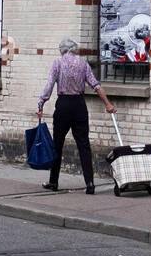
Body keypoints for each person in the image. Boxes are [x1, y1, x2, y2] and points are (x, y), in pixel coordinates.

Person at [36, 38, 116, 195]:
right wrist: (108, 104)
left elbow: (49, 85)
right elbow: (95, 85)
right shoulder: (83, 63)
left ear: (62, 50)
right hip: (79, 104)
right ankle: (90, 183)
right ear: (74, 49)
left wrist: (41, 103)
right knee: (84, 145)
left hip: (64, 104)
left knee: (57, 144)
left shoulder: (57, 63)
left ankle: (53, 182)